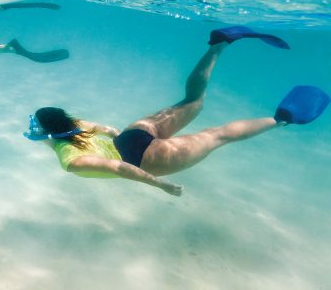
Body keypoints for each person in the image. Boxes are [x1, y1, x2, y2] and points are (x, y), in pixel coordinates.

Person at [24, 26, 329, 197]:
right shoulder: (73, 124)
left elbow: (118, 169)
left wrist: (159, 184)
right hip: (133, 135)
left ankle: (282, 118)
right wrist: (123, 138)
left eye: (35, 127)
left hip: (141, 159)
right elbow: (107, 129)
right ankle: (219, 44)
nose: (34, 130)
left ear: (48, 132)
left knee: (218, 135)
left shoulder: (70, 161)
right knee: (193, 100)